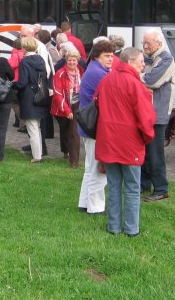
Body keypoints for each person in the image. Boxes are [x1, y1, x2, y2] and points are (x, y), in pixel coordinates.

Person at [96, 47, 155, 236]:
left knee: (114, 186)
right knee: (131, 187)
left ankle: (113, 226)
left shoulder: (106, 79)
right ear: (130, 62)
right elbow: (146, 118)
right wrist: (147, 138)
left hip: (108, 140)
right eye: (141, 61)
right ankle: (131, 229)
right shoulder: (136, 85)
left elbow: (96, 102)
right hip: (129, 143)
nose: (143, 64)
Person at [77, 40, 114, 215]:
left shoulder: (96, 69)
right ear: (97, 56)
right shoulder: (98, 73)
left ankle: (84, 203)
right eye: (107, 56)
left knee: (90, 168)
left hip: (89, 126)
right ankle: (96, 207)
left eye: (112, 55)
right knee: (98, 170)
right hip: (94, 127)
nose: (111, 59)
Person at [140, 29, 175, 202]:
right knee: (145, 152)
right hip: (146, 113)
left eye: (148, 43)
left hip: (158, 114)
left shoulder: (166, 59)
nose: (145, 46)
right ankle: (144, 184)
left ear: (159, 43)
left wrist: (139, 76)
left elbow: (151, 80)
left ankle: (161, 188)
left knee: (155, 153)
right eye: (143, 43)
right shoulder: (149, 58)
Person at [14, 37, 49, 163]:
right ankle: (39, 153)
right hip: (40, 95)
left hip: (29, 97)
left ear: (25, 47)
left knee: (32, 128)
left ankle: (37, 156)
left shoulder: (25, 62)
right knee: (37, 127)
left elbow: (22, 82)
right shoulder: (40, 59)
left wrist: (13, 85)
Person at [51, 49, 84, 168]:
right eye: (69, 60)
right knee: (64, 130)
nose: (72, 62)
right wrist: (66, 110)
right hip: (63, 105)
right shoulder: (60, 73)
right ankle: (65, 151)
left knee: (74, 132)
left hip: (77, 104)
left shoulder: (81, 72)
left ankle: (74, 161)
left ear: (77, 61)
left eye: (74, 60)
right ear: (66, 60)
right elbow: (58, 94)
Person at [8, 37, 25, 129]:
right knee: (21, 102)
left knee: (14, 103)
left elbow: (9, 66)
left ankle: (23, 124)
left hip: (15, 81)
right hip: (23, 81)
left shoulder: (15, 55)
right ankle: (21, 123)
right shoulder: (25, 54)